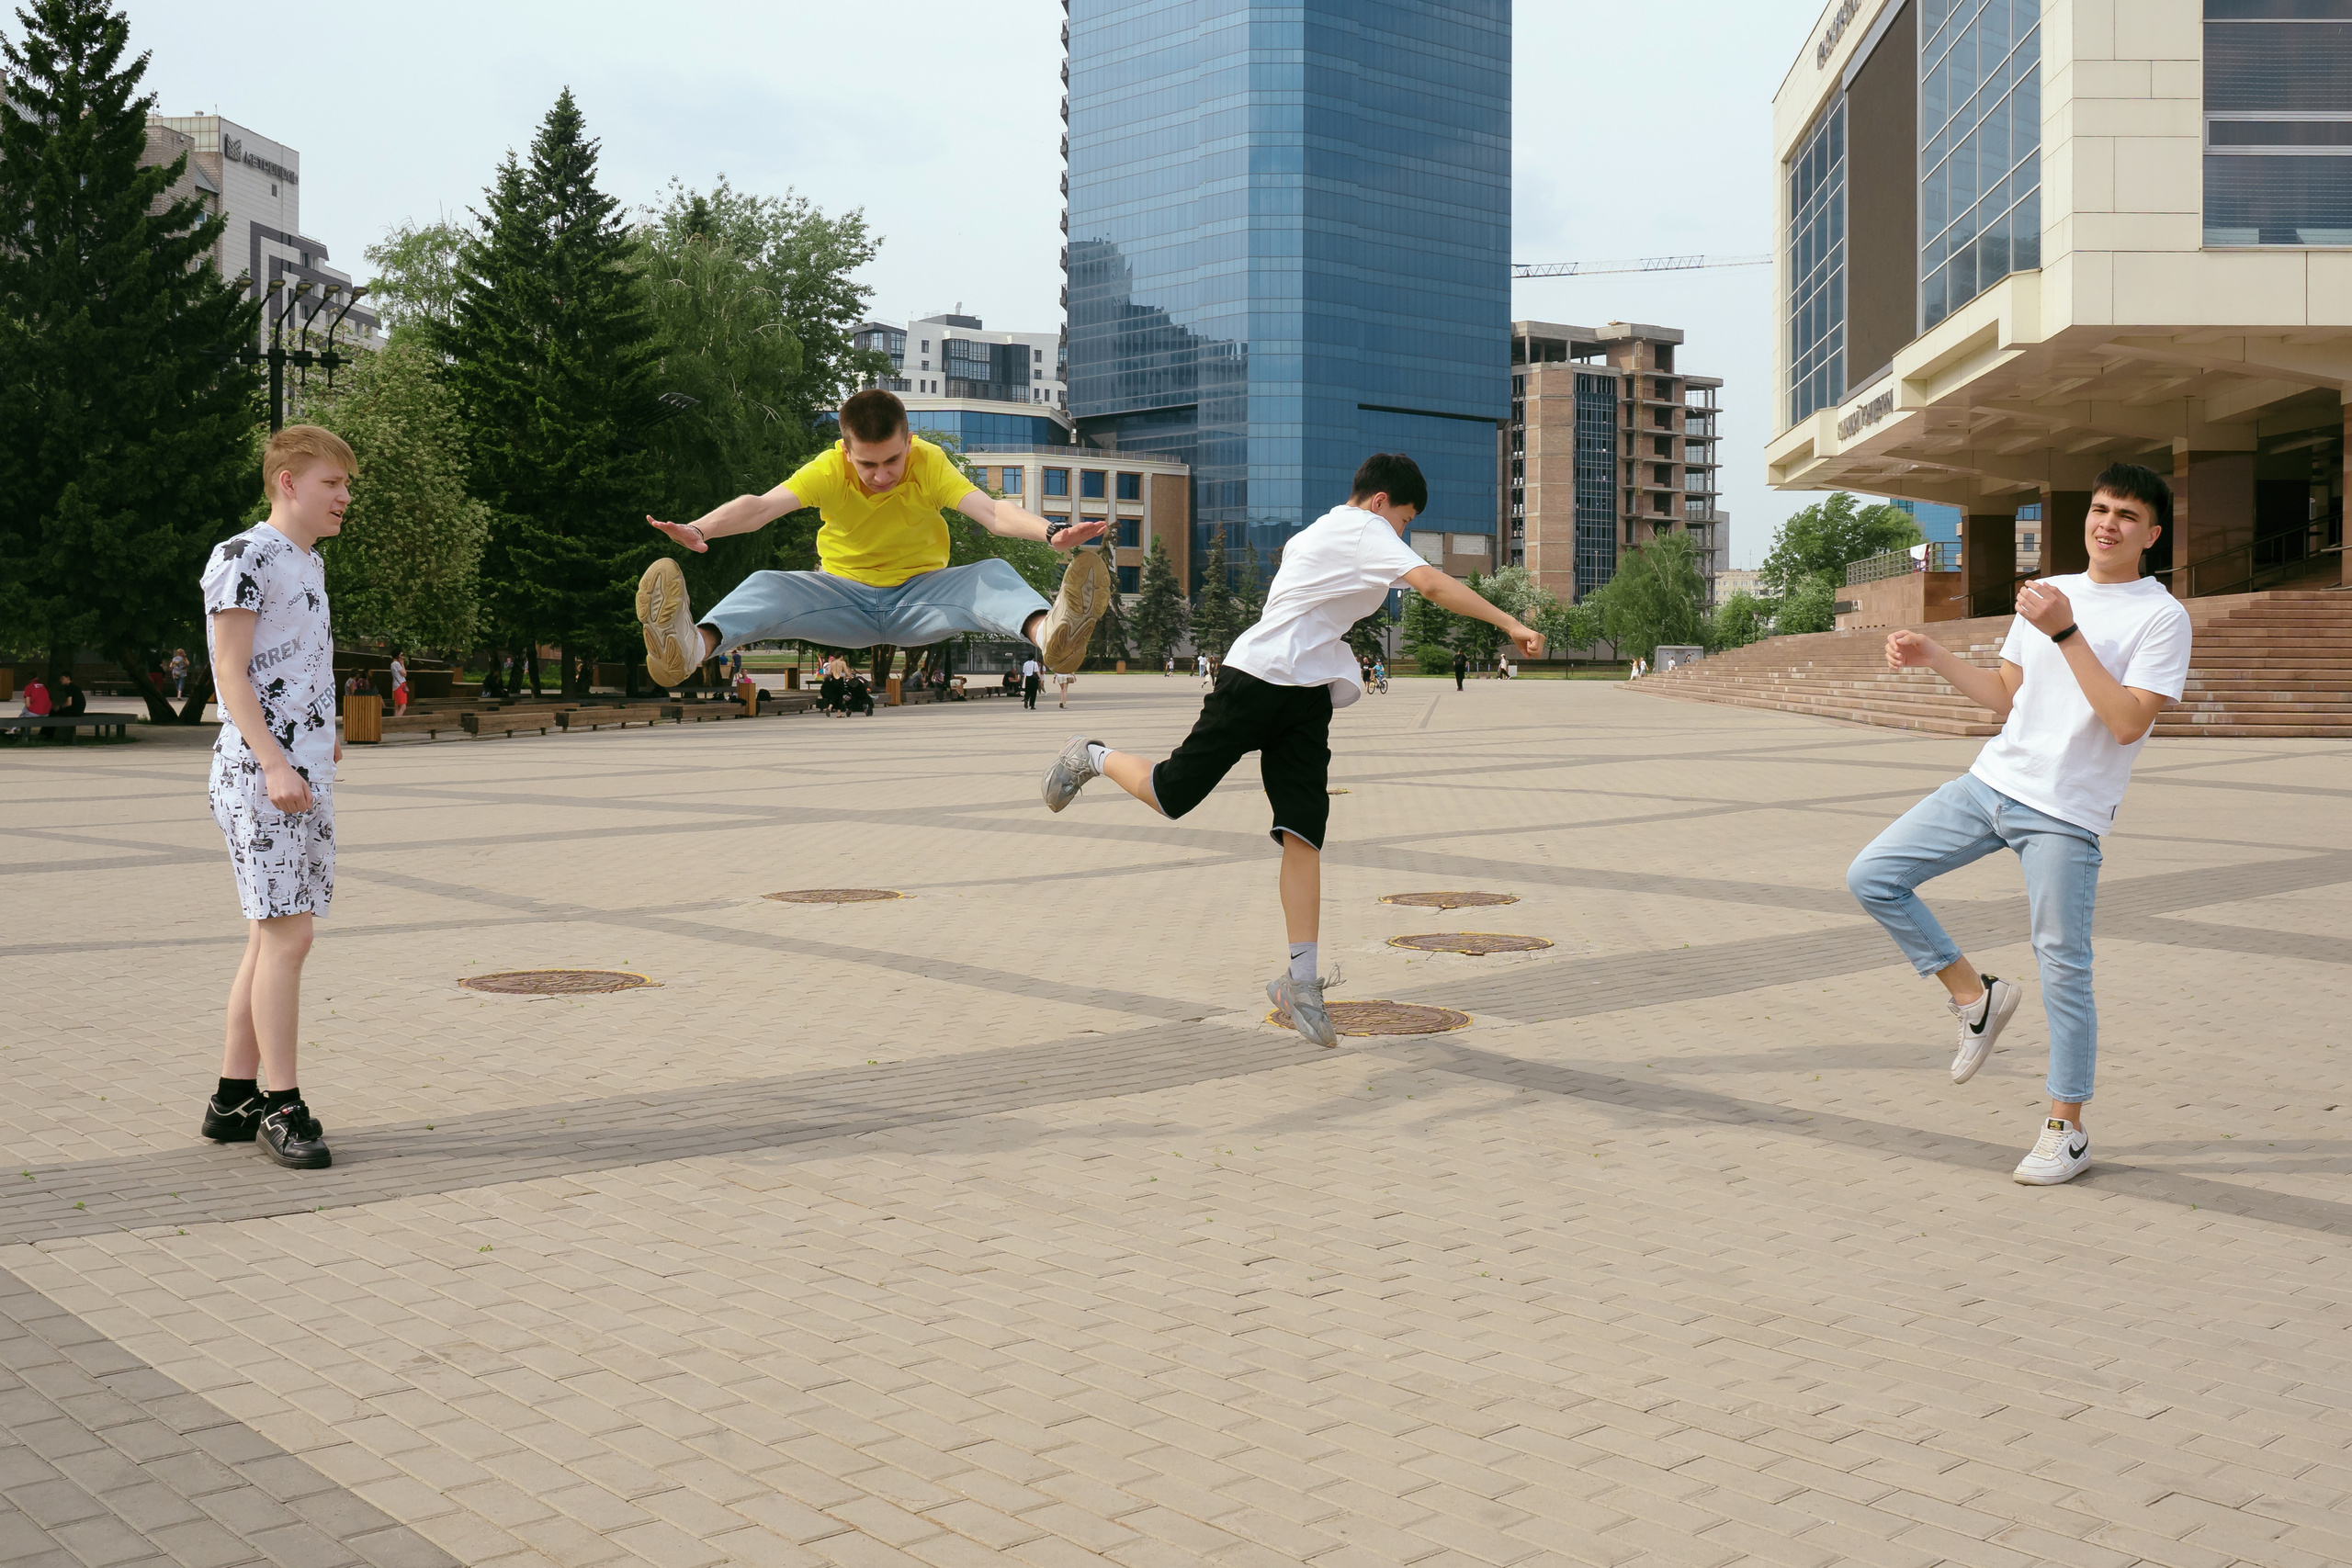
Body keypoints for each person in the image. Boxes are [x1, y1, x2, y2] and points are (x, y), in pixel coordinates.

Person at [1036, 453, 1544, 1045]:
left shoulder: (1330, 533)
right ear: (1381, 502)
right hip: (1257, 679)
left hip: (1306, 695)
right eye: (1405, 521)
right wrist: (1511, 624)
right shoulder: (1361, 529)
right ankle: (1090, 754)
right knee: (1171, 793)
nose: (1403, 534)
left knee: (1303, 833)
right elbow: (1431, 583)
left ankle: (1301, 982)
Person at [1847, 463, 2190, 1188]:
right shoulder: (2048, 593)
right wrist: (1935, 655)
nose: (2108, 523)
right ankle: (1976, 997)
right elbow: (2006, 696)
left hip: (2067, 813)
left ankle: (2067, 1129)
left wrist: (2066, 631)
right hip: (1991, 784)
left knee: (2064, 967)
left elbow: (2127, 721)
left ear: (2152, 534)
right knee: (1873, 874)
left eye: (2127, 515)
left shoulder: (2161, 617)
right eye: (2100, 509)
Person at [636, 389, 1112, 693]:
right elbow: (759, 508)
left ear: (909, 442)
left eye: (892, 461)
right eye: (867, 464)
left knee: (991, 573)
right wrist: (700, 528)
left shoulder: (929, 463)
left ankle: (1051, 635)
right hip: (842, 600)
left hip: (921, 599)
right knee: (767, 584)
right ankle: (687, 649)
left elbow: (991, 512)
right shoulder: (828, 469)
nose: (882, 476)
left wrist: (1050, 531)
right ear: (847, 451)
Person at [197, 424, 350, 1172]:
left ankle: (233, 1098)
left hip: (299, 775)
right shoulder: (243, 555)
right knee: (289, 938)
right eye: (332, 483)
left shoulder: (307, 562)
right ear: (288, 482)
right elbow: (228, 671)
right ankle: (281, 1105)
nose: (344, 497)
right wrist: (274, 761)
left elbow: (298, 666)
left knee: (270, 937)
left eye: (347, 486)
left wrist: (325, 733)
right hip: (265, 779)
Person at [389, 651, 409, 716]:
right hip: (400, 685)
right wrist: (402, 664)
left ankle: (395, 719)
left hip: (396, 686)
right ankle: (398, 720)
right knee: (403, 706)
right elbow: (404, 674)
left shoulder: (392, 664)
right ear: (398, 656)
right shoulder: (397, 664)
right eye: (401, 655)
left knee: (397, 706)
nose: (402, 656)